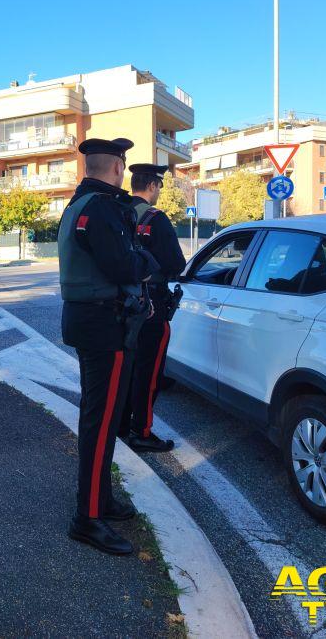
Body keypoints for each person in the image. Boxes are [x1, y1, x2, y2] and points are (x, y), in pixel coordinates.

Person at [59, 138, 159, 555]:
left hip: (91, 322)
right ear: (117, 168)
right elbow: (125, 264)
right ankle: (88, 518)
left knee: (98, 417)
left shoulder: (78, 205)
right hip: (106, 325)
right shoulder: (101, 208)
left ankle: (100, 501)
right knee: (101, 424)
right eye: (122, 165)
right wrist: (149, 265)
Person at [119, 164, 187, 453]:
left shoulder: (119, 213)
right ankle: (142, 431)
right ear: (153, 186)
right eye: (159, 187)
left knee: (126, 369)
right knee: (149, 373)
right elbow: (176, 265)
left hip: (121, 304)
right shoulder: (155, 219)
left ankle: (121, 425)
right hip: (152, 306)